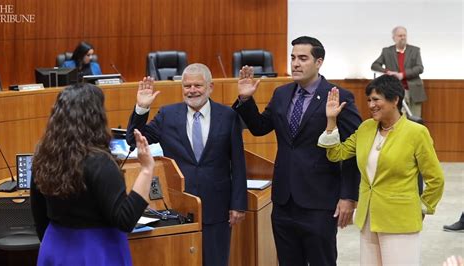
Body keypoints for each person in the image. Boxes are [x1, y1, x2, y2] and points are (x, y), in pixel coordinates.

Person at [232, 36, 362, 266]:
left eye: (303, 58)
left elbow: (354, 149)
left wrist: (348, 196)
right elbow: (260, 128)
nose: (295, 64)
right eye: (293, 58)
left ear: (319, 62)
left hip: (320, 201)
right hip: (283, 201)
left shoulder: (338, 96)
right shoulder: (282, 94)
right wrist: (246, 99)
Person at [125, 63, 247, 266]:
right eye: (187, 86)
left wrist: (238, 204)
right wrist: (142, 108)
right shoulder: (167, 115)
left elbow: (238, 162)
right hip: (180, 208)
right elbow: (133, 140)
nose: (192, 91)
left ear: (210, 87)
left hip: (218, 207)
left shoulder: (228, 116)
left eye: (197, 85)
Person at [318, 75, 445, 265]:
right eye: (369, 100)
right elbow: (337, 154)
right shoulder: (366, 128)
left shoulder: (416, 132)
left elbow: (436, 178)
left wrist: (422, 208)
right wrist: (331, 120)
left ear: (395, 100)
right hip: (368, 219)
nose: (371, 105)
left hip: (400, 220)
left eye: (376, 99)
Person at [30, 83, 153, 265]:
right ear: (96, 117)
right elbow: (125, 220)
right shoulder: (99, 161)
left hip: (55, 248)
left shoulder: (43, 155)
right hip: (96, 252)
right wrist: (146, 169)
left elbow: (39, 215)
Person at [371, 26, 425, 117]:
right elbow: (375, 65)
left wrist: (402, 75)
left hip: (413, 89)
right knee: (399, 117)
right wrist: (388, 72)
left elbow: (420, 68)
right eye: (400, 35)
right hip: (396, 90)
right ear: (394, 38)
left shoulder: (415, 50)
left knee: (415, 117)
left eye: (404, 35)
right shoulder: (387, 51)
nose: (403, 38)